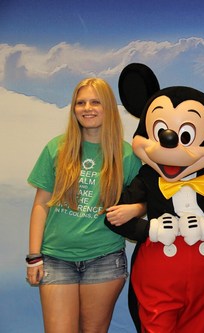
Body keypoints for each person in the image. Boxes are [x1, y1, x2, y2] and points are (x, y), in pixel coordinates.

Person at [26, 78, 144, 333]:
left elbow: (148, 200)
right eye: (80, 102)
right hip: (56, 259)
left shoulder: (127, 155)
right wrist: (34, 256)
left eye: (95, 102)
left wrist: (135, 209)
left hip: (105, 259)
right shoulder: (56, 148)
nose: (87, 108)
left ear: (109, 108)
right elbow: (40, 205)